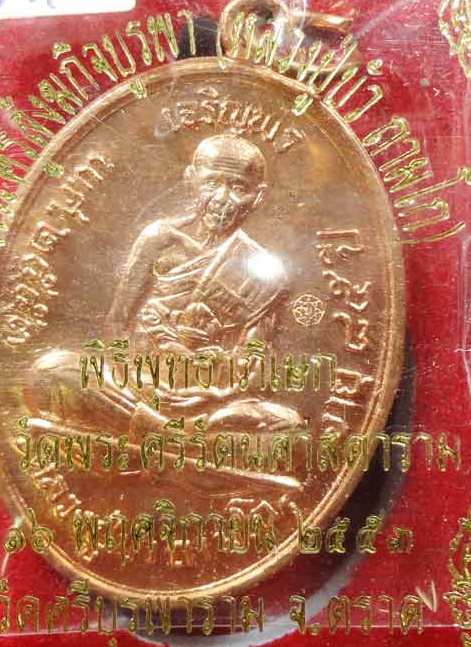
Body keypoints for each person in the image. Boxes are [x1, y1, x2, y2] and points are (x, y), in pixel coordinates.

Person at [25, 133, 304, 472]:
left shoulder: (266, 274)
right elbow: (118, 322)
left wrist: (211, 392)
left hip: (206, 406)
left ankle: (152, 438)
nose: (222, 198)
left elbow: (253, 365)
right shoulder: (158, 240)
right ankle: (176, 442)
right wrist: (134, 378)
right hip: (135, 389)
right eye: (212, 183)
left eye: (238, 188)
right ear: (191, 180)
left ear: (257, 197)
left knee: (290, 429)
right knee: (51, 371)